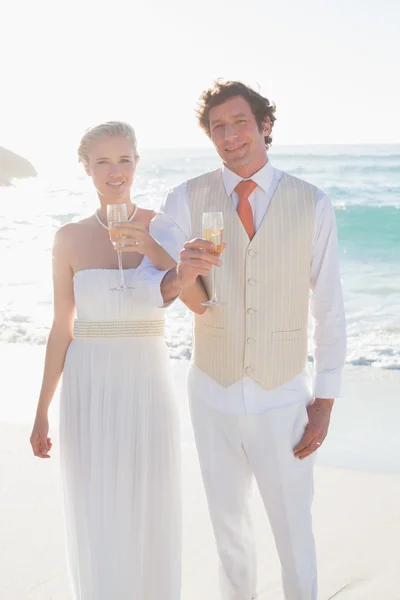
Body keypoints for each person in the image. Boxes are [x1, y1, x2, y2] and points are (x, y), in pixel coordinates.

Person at [151, 81, 346, 600]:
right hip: (211, 390)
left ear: (264, 125)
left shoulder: (313, 203)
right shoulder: (184, 199)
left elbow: (329, 308)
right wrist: (179, 273)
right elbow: (160, 291)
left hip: (282, 394)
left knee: (294, 537)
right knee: (229, 533)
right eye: (218, 127)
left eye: (240, 122)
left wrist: (324, 401)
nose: (230, 135)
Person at [30, 122, 181, 600]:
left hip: (146, 379)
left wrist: (150, 247)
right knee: (96, 507)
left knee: (149, 505)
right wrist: (41, 411)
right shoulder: (69, 237)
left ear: (137, 162)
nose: (115, 172)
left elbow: (196, 295)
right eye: (103, 162)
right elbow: (62, 328)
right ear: (86, 168)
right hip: (88, 385)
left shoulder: (164, 226)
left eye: (124, 160)